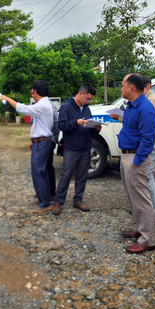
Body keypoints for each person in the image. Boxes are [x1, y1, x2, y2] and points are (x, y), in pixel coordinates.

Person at [117, 73, 155, 254]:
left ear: (131, 88)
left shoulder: (145, 108)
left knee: (141, 199)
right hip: (127, 156)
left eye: (123, 85)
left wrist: (136, 161)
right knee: (133, 197)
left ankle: (148, 239)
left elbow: (148, 140)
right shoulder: (132, 106)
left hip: (135, 159)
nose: (121, 89)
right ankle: (140, 229)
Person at [1, 80, 54, 213]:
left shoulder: (42, 105)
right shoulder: (45, 104)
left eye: (32, 93)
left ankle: (45, 203)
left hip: (42, 143)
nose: (32, 96)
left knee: (39, 172)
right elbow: (39, 124)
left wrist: (7, 98)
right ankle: (44, 198)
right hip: (41, 141)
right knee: (43, 171)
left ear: (36, 92)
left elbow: (22, 108)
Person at [51, 83, 101, 216]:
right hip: (71, 148)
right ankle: (58, 202)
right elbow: (61, 126)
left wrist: (95, 128)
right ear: (80, 94)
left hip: (85, 147)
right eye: (87, 98)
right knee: (66, 175)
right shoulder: (66, 107)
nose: (88, 101)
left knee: (82, 175)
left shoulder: (86, 109)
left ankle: (78, 200)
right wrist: (75, 123)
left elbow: (89, 124)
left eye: (90, 99)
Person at [141, 76, 155, 227]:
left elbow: (140, 118)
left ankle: (154, 215)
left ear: (147, 86)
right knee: (146, 178)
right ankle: (147, 211)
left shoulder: (152, 101)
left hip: (152, 145)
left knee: (148, 178)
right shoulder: (146, 99)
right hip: (149, 144)